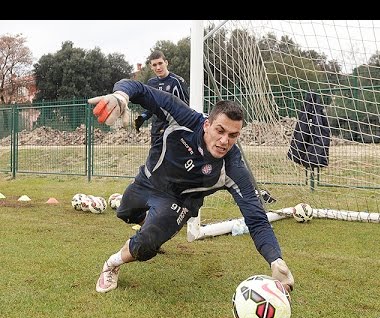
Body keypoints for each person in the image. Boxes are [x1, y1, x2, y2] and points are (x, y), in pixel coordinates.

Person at [88, 79, 294, 294]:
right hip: (148, 180)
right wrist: (120, 97)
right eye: (220, 131)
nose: (225, 141)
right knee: (125, 213)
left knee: (145, 245)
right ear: (207, 124)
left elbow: (257, 219)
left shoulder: (233, 169)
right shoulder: (183, 117)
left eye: (233, 135)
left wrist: (275, 260)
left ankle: (111, 264)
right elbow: (138, 89)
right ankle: (153, 227)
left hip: (179, 201)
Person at [134, 50, 190, 145]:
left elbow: (186, 108)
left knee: (171, 159)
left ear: (166, 63)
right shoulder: (151, 83)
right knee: (155, 159)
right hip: (156, 131)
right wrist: (143, 117)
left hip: (173, 132)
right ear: (151, 67)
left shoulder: (177, 81)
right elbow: (152, 107)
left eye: (160, 63)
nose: (158, 67)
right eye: (155, 65)